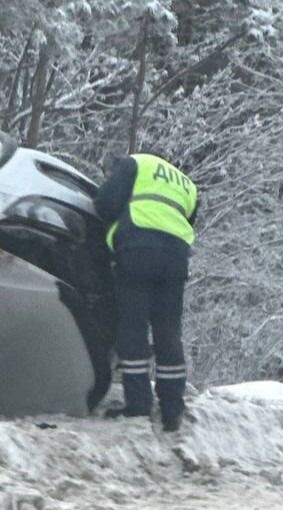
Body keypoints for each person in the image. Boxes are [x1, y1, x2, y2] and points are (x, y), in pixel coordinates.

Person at [94, 151, 198, 432]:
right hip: (175, 259)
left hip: (137, 250)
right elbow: (189, 219)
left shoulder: (133, 163)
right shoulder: (186, 183)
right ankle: (172, 409)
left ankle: (138, 405)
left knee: (133, 329)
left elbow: (105, 205)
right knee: (168, 332)